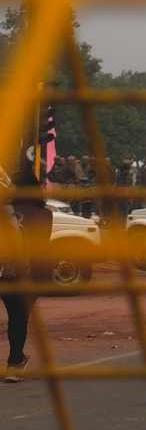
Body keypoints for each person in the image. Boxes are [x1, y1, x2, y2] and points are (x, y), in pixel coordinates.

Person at [3, 148, 50, 383]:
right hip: (30, 273)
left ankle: (18, 358)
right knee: (19, 318)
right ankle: (14, 363)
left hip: (5, 270)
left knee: (16, 316)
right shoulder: (45, 215)